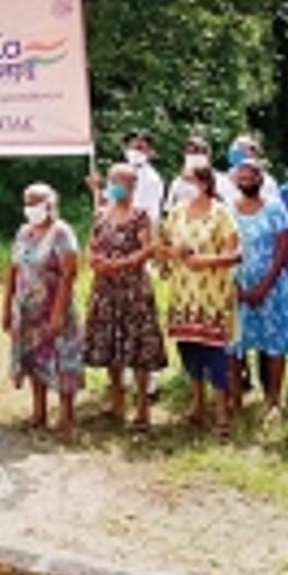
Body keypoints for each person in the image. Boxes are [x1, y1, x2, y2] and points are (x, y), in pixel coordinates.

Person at [158, 162, 241, 440]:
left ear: (205, 183)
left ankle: (222, 411)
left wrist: (204, 261)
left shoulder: (221, 213)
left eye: (190, 181)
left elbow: (234, 254)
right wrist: (173, 252)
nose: (184, 186)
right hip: (183, 295)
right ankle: (198, 403)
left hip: (212, 296)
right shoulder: (176, 212)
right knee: (189, 349)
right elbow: (162, 247)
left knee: (215, 352)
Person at [83, 162, 166, 429]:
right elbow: (91, 245)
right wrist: (95, 261)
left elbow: (148, 249)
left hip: (133, 289)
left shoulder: (140, 216)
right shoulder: (101, 214)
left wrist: (120, 264)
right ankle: (117, 401)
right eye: (113, 180)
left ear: (132, 186)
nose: (115, 186)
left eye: (121, 181)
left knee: (139, 347)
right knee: (110, 344)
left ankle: (142, 407)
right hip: (105, 289)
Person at [2, 182, 83, 438]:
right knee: (34, 359)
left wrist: (58, 313)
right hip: (27, 310)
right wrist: (6, 307)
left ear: (49, 205)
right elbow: (13, 269)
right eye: (27, 202)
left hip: (54, 308)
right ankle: (39, 412)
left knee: (62, 360)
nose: (30, 207)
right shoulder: (24, 232)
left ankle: (67, 417)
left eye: (35, 202)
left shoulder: (62, 233)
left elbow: (69, 274)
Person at [228, 159, 288, 421]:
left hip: (271, 284)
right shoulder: (230, 209)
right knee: (234, 342)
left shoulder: (274, 207)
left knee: (274, 343)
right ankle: (235, 397)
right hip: (238, 282)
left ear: (261, 179)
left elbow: (283, 249)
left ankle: (274, 399)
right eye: (242, 178)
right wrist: (237, 286)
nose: (246, 182)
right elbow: (226, 245)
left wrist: (265, 285)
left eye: (251, 177)